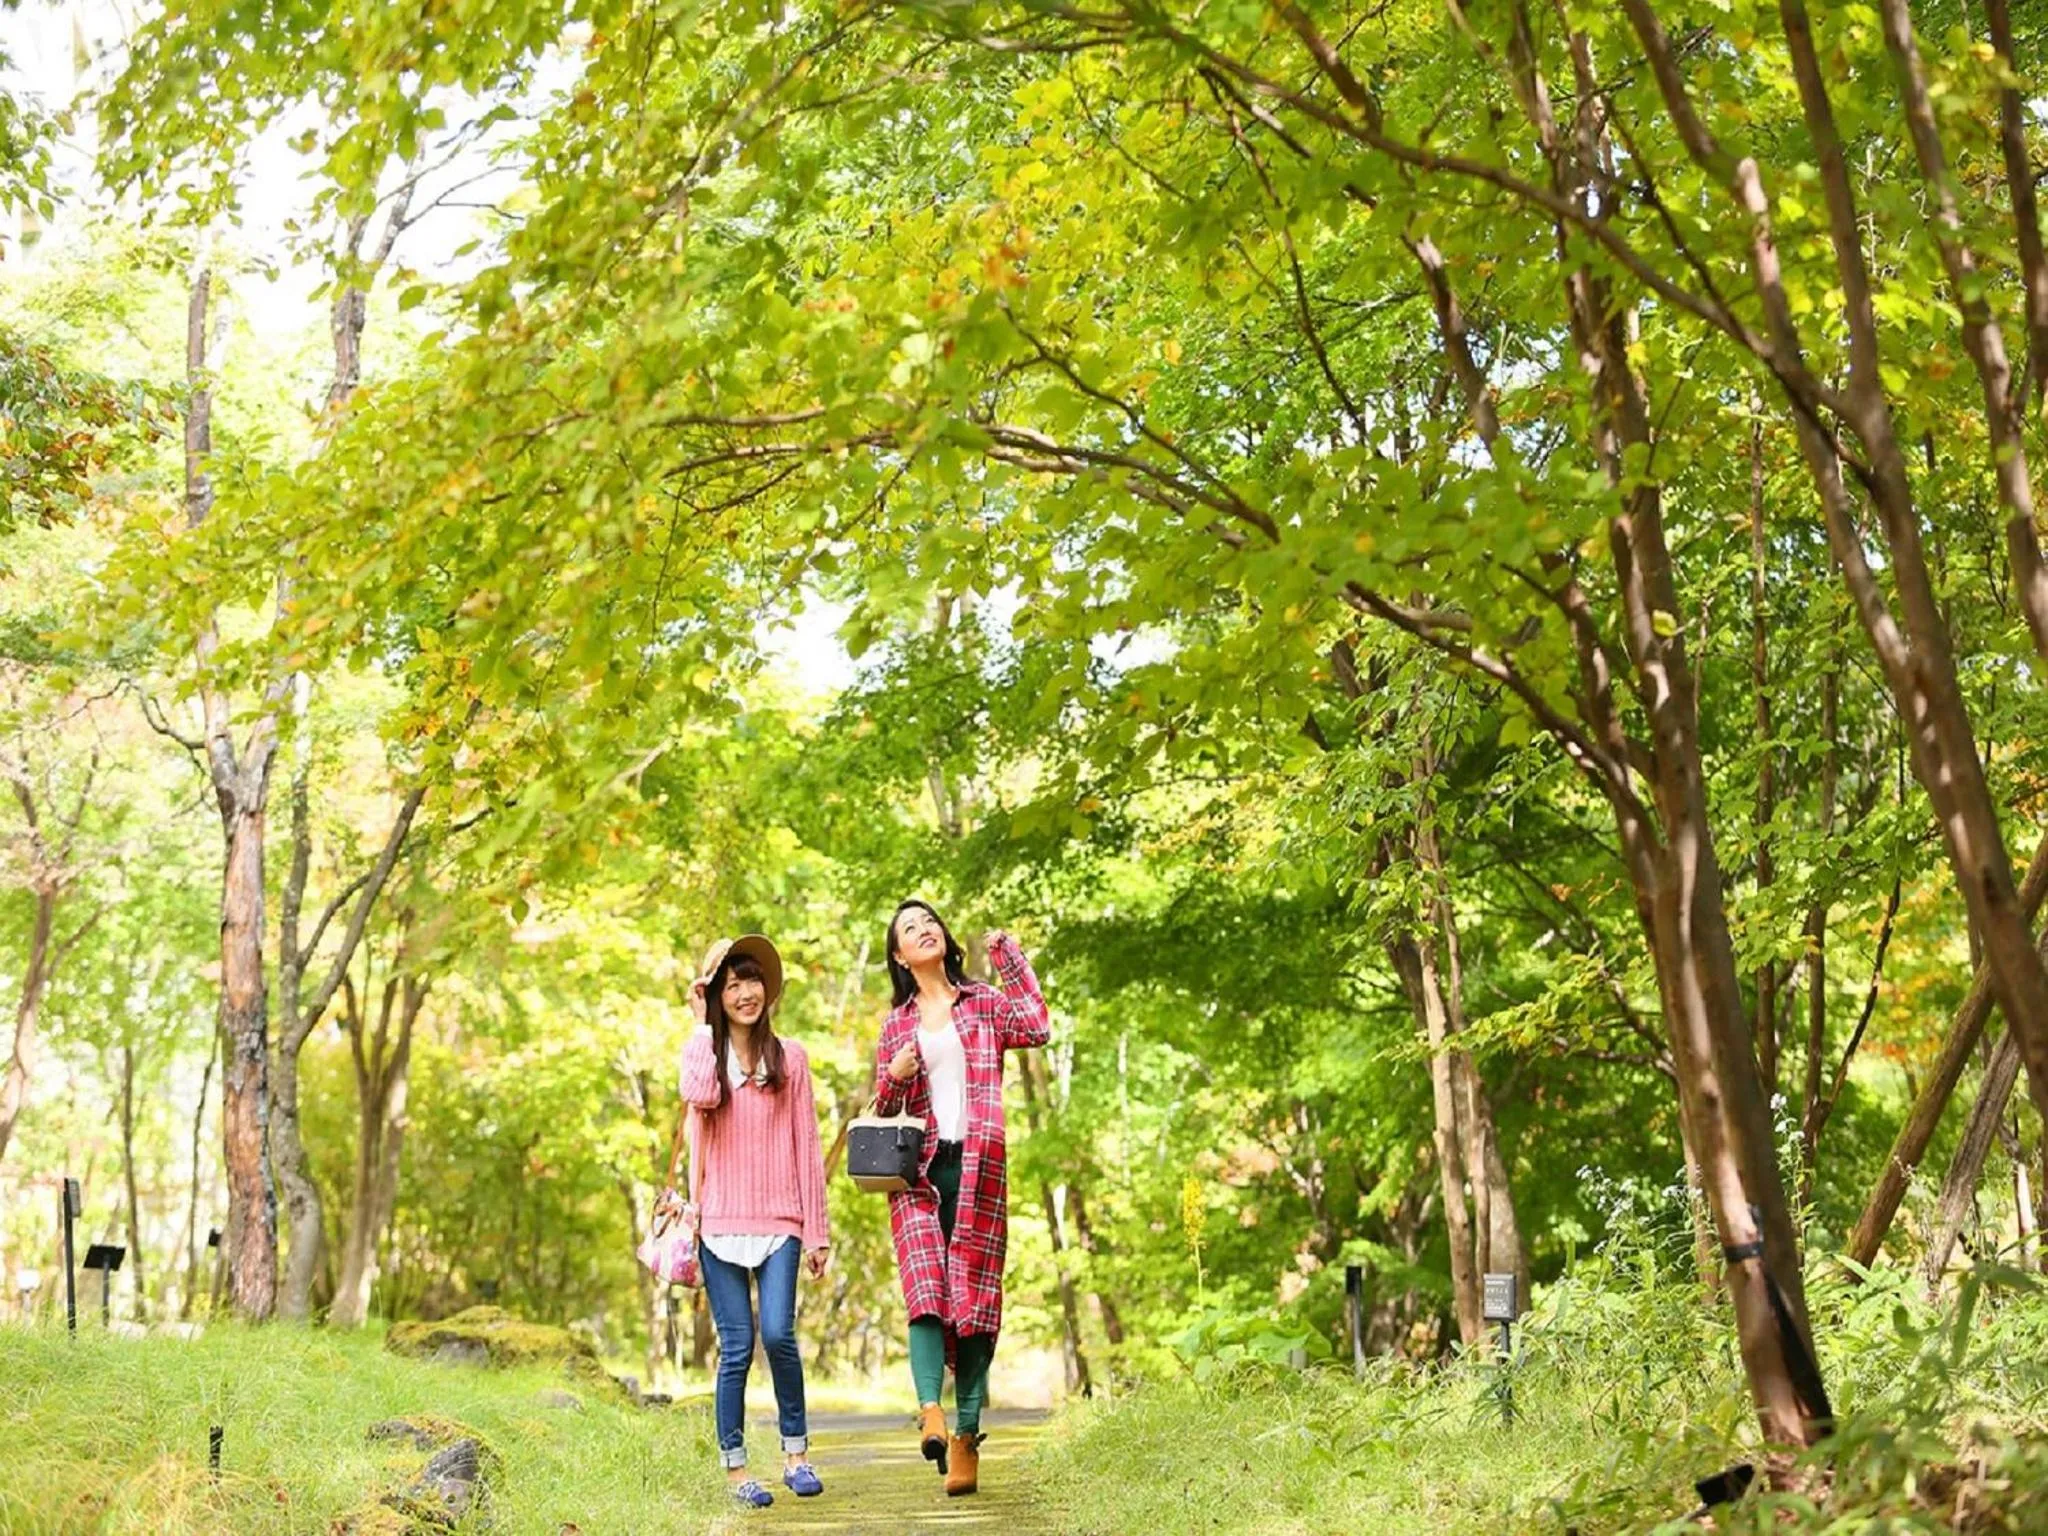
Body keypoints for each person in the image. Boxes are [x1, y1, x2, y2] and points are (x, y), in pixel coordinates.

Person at [872, 901, 1050, 1497]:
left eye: (930, 922)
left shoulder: (984, 1004)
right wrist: (894, 1076)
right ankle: (931, 1411)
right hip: (918, 1175)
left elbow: (1038, 1025)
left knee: (974, 1304)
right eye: (909, 928)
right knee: (925, 1292)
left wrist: (1008, 955)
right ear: (899, 956)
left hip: (979, 1168)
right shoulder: (895, 1026)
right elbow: (882, 1108)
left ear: (945, 938)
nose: (923, 930)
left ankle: (967, 1435)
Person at [679, 934, 831, 1510]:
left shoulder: (791, 1057)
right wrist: (701, 1026)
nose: (745, 993)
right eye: (731, 984)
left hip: (781, 1219)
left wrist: (816, 1232)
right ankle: (736, 1469)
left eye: (752, 981)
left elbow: (807, 1145)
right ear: (715, 996)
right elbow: (698, 1094)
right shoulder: (704, 1054)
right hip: (718, 1221)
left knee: (778, 1334)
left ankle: (796, 1456)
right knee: (736, 1347)